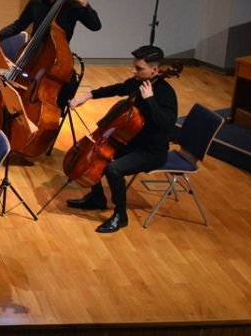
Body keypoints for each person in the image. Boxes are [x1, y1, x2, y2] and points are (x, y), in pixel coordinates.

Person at [64, 45, 177, 233]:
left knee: (113, 169)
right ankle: (97, 198)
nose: (134, 71)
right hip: (132, 142)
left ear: (155, 70)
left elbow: (166, 125)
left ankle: (120, 215)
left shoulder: (166, 94)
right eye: (135, 66)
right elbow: (118, 88)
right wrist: (87, 95)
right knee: (94, 157)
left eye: (139, 68)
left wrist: (150, 99)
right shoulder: (138, 82)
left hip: (152, 151)